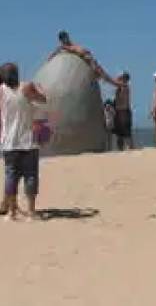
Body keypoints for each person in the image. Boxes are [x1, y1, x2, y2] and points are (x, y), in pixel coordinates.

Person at [1, 63, 47, 221]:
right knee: (30, 175)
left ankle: (11, 212)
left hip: (9, 142)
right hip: (27, 140)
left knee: (10, 176)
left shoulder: (1, 90)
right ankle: (31, 212)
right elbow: (43, 99)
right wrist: (39, 89)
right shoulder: (27, 87)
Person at [51, 30, 120, 87]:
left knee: (105, 76)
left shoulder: (70, 45)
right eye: (64, 38)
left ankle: (116, 83)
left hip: (91, 62)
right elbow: (54, 52)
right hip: (89, 63)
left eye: (66, 37)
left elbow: (81, 51)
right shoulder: (64, 47)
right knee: (104, 76)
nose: (66, 39)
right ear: (61, 39)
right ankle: (116, 83)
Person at [113, 72, 133, 150]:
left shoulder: (123, 85)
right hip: (119, 112)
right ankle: (121, 150)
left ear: (124, 79)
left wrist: (100, 70)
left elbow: (110, 80)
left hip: (123, 112)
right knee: (119, 133)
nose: (118, 78)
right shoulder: (121, 86)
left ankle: (129, 149)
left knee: (126, 133)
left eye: (120, 77)